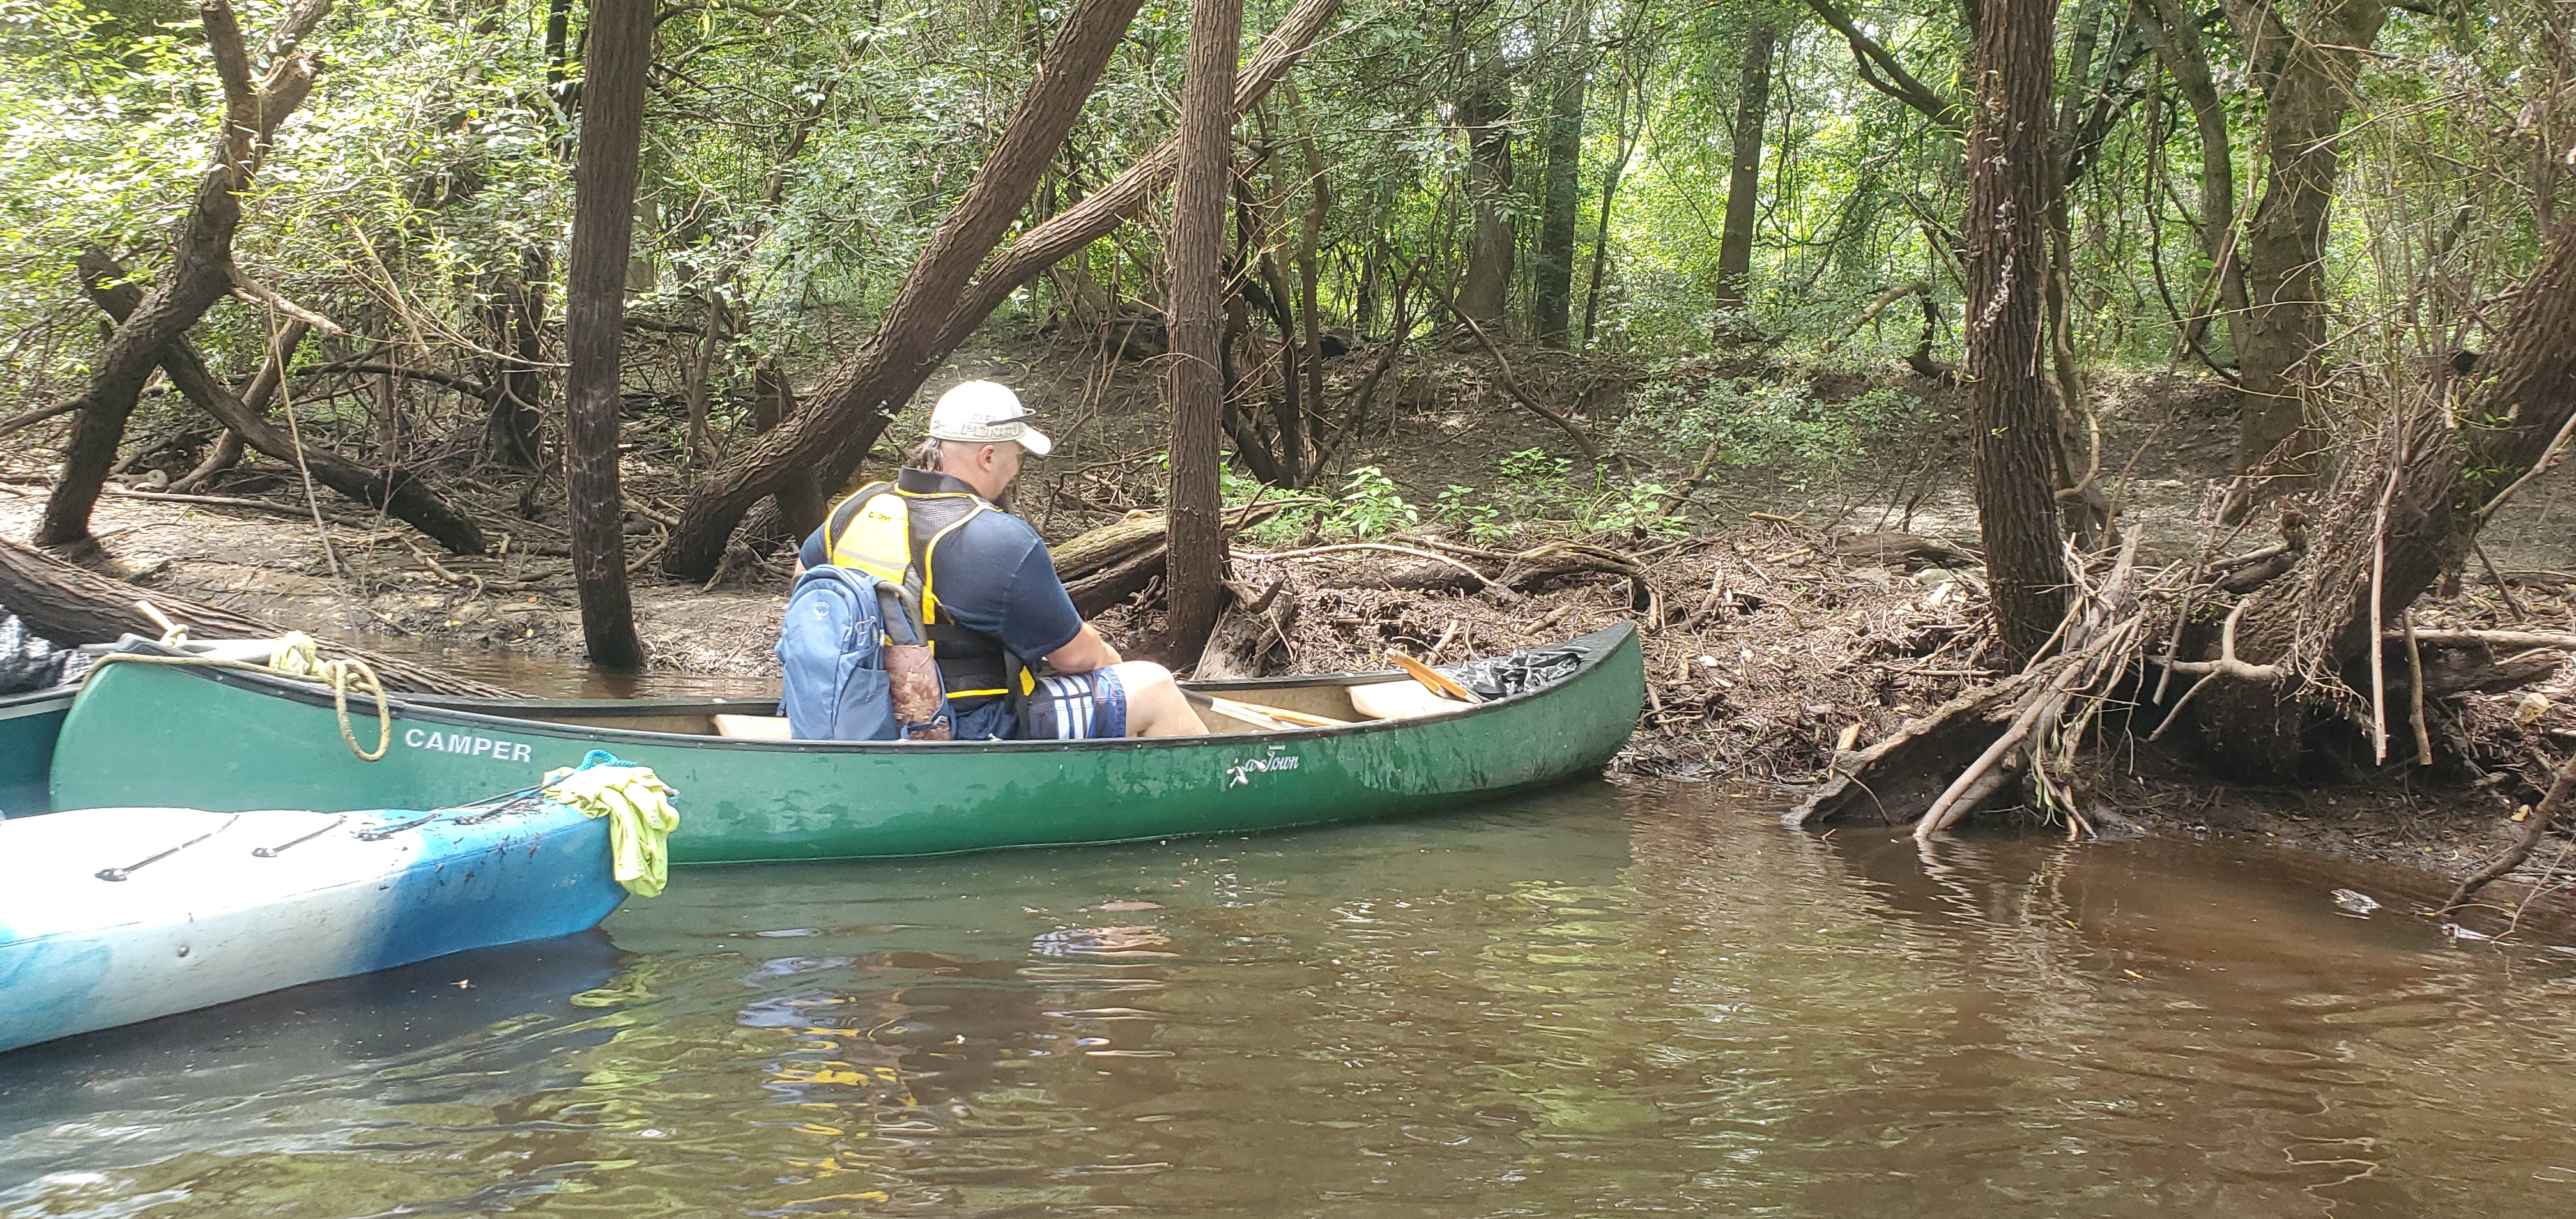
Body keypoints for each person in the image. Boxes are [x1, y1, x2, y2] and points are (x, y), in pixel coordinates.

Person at [793, 380, 1198, 740]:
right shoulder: (992, 537)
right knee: (1154, 686)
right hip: (965, 726)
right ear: (987, 457)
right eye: (1016, 455)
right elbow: (1076, 657)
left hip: (854, 714)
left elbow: (804, 580)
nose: (1016, 468)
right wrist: (1110, 662)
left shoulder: (858, 507)